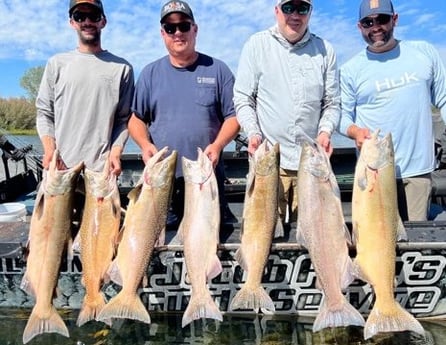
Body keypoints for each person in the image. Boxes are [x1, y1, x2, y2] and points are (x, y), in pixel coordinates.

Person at [128, 0, 240, 228]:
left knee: (206, 245)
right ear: (163, 34)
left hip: (207, 179)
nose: (177, 32)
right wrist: (144, 144)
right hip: (163, 183)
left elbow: (234, 117)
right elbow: (136, 119)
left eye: (184, 26)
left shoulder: (218, 70)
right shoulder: (150, 74)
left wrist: (218, 145)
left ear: (195, 29)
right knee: (162, 245)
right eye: (170, 28)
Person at [233, 0, 340, 226]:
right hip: (270, 163)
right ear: (276, 10)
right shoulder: (256, 45)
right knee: (264, 234)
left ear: (310, 12)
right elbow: (243, 98)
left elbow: (332, 103)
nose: (295, 15)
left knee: (316, 234)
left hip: (311, 164)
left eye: (302, 8)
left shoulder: (325, 50)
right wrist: (253, 133)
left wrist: (325, 131)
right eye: (288, 8)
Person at [338, 0, 446, 221]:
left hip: (418, 171)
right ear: (360, 26)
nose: (376, 27)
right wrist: (355, 132)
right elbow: (340, 117)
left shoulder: (423, 52)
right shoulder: (350, 70)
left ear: (394, 19)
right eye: (368, 22)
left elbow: (443, 99)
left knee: (417, 243)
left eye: (382, 19)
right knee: (378, 241)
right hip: (374, 172)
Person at [36, 0, 134, 174]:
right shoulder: (56, 64)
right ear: (72, 22)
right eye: (80, 16)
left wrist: (116, 151)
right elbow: (44, 113)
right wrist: (50, 150)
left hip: (101, 173)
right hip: (59, 171)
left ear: (103, 21)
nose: (87, 21)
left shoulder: (122, 68)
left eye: (93, 16)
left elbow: (123, 120)